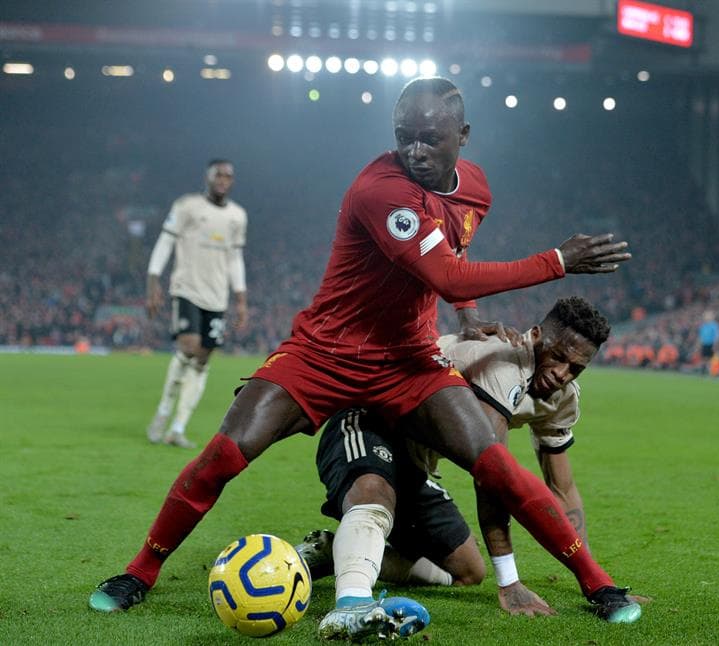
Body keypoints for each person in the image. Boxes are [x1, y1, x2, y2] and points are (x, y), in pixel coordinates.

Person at [89, 77, 635, 639]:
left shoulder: (475, 190)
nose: (415, 150)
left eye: (430, 138)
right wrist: (556, 260)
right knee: (227, 452)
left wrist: (468, 315)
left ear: (463, 136)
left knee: (495, 464)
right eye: (405, 137)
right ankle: (139, 572)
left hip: (408, 360)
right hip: (324, 352)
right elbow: (445, 274)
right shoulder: (381, 191)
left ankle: (597, 584)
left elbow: (453, 255)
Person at [299, 297, 634, 627]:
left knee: (466, 571)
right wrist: (509, 582)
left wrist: (591, 576)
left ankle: (333, 552)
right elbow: (491, 473)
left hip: (415, 463)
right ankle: (351, 602)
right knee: (376, 497)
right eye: (558, 357)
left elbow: (562, 487)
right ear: (536, 335)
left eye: (576, 368)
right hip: (367, 425)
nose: (562, 373)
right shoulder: (502, 359)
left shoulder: (562, 398)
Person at [144, 160, 249, 448]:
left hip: (216, 297)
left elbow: (234, 259)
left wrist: (240, 299)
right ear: (208, 177)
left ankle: (178, 427)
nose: (223, 179)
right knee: (188, 348)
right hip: (187, 289)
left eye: (228, 175)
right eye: (218, 174)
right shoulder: (187, 206)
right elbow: (165, 243)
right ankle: (163, 413)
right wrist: (153, 281)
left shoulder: (237, 216)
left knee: (202, 360)